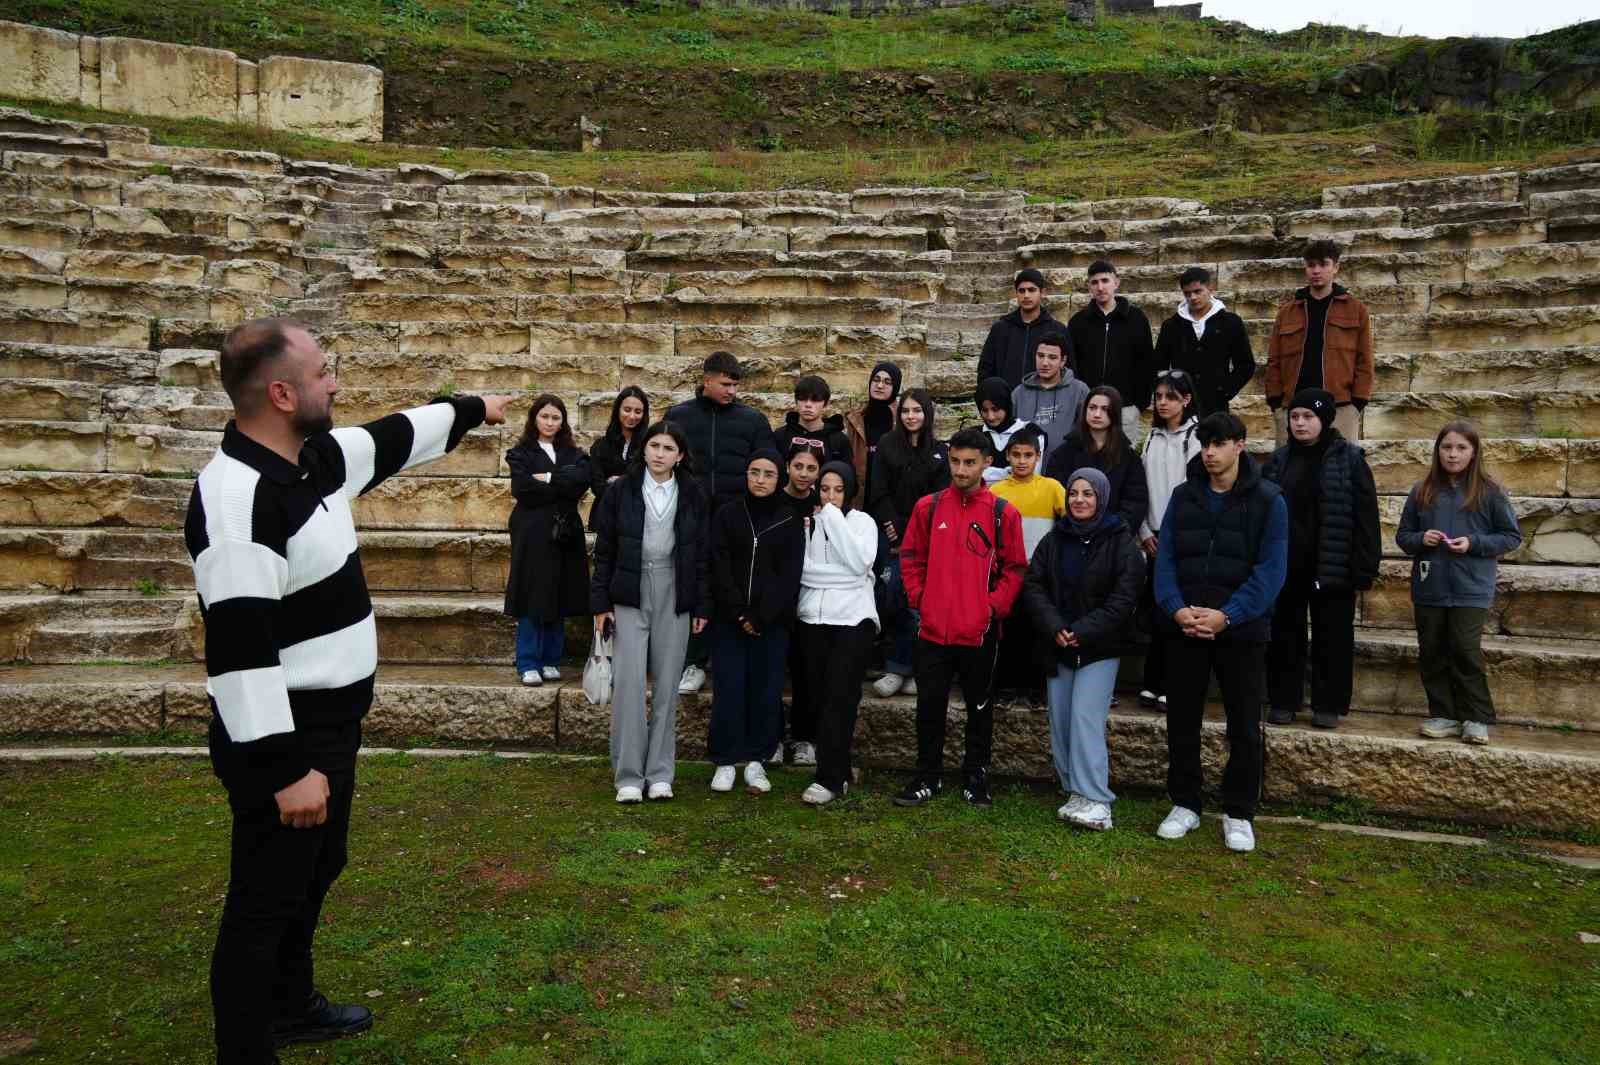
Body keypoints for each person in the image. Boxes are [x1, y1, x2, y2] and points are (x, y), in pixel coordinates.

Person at [185, 317, 511, 1065]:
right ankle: (245, 1047)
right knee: (263, 900)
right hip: (285, 737)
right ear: (280, 391)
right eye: (323, 372)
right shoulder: (238, 501)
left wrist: (469, 408)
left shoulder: (312, 458)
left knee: (316, 870)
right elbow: (239, 653)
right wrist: (284, 769)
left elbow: (388, 438)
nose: (334, 382)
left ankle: (291, 1003)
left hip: (331, 725)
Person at [1152, 412, 1287, 854]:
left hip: (1242, 630)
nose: (1209, 452)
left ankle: (1239, 811)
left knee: (1245, 725)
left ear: (1240, 446)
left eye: (1219, 443)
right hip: (1186, 626)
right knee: (1182, 721)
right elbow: (1166, 559)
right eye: (1204, 443)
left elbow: (1270, 570)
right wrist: (1176, 610)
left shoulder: (1269, 500)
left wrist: (1227, 615)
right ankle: (1185, 802)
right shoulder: (1183, 497)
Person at [893, 427, 1028, 809]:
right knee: (929, 705)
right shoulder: (928, 507)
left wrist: (991, 607)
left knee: (979, 708)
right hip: (933, 629)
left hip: (979, 632)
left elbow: (1015, 569)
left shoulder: (1003, 513)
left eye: (970, 463)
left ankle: (975, 777)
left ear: (987, 463)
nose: (961, 470)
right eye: (955, 461)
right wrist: (920, 598)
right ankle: (927, 776)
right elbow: (910, 556)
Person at [590, 419, 713, 804]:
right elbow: (605, 549)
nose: (660, 454)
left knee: (666, 686)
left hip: (675, 588)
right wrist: (600, 603)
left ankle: (660, 773)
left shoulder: (693, 493)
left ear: (680, 456)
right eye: (654, 446)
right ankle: (628, 774)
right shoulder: (621, 491)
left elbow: (702, 554)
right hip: (629, 589)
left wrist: (700, 603)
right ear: (644, 448)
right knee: (627, 682)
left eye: (668, 449)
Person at [1020, 466, 1144, 831]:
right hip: (1059, 644)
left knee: (1085, 719)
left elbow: (1125, 597)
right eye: (1074, 493)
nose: (1079, 500)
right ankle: (1075, 789)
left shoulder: (1120, 541)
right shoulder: (1055, 539)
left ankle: (1098, 800)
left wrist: (1082, 631)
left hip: (1098, 647)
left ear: (1102, 498)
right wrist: (1055, 626)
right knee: (1061, 720)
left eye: (1088, 493)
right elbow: (1034, 585)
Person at [1260, 388, 1381, 730]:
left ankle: (1327, 704)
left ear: (1324, 420)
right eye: (1295, 417)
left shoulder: (1350, 459)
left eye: (1307, 417)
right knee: (1284, 635)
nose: (1299, 423)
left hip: (1334, 565)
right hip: (1288, 566)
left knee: (1333, 636)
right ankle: (1284, 700)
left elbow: (1366, 517)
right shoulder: (1279, 461)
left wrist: (1365, 566)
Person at [1396, 421, 1522, 746]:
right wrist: (1421, 538)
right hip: (1430, 586)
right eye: (1447, 447)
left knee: (1465, 650)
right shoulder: (1421, 490)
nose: (1453, 454)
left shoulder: (1490, 492)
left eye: (1461, 448)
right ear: (1437, 451)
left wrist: (1474, 543)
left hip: (1471, 587)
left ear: (1474, 452)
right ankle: (1444, 714)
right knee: (1432, 650)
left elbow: (1510, 537)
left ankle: (1475, 717)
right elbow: (1403, 537)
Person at [667, 351, 774, 694]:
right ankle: (693, 663)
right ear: (707, 379)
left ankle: (730, 657)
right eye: (725, 384)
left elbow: (765, 463)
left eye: (735, 385)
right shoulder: (678, 416)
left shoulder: (752, 421)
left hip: (736, 519)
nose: (731, 391)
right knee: (695, 585)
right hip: (690, 515)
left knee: (732, 585)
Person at [707, 450, 806, 795]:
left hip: (771, 623)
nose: (760, 480)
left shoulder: (789, 519)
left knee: (765, 690)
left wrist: (762, 615)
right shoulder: (727, 514)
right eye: (754, 472)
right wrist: (738, 611)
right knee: (729, 687)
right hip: (729, 620)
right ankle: (724, 760)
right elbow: (718, 564)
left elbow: (788, 574)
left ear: (779, 479)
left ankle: (756, 760)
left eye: (768, 474)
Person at [796, 462, 881, 805]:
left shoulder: (862, 523)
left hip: (852, 620)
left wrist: (830, 518)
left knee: (840, 699)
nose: (830, 496)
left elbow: (861, 564)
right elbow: (803, 571)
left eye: (838, 490)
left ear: (849, 491)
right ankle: (841, 769)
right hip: (813, 619)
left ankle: (828, 778)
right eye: (825, 489)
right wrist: (839, 575)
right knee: (816, 696)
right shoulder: (807, 522)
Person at [504, 394, 592, 686]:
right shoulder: (522, 452)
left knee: (560, 590)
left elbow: (580, 483)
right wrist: (561, 482)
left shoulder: (573, 452)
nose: (550, 422)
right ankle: (528, 660)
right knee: (532, 592)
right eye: (545, 417)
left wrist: (548, 478)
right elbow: (522, 487)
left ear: (563, 421)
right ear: (534, 419)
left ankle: (552, 659)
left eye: (556, 418)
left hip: (564, 530)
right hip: (532, 530)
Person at [868, 389, 949, 698]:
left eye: (917, 411)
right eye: (906, 411)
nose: (911, 416)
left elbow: (939, 499)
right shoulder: (888, 446)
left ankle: (908, 669)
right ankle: (898, 667)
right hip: (892, 535)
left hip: (926, 538)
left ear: (926, 414)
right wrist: (897, 535)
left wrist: (915, 538)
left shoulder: (939, 451)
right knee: (892, 595)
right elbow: (879, 492)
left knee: (918, 605)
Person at [1134, 369, 1201, 710]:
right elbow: (1143, 489)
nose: (1162, 403)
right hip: (1153, 536)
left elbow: (1195, 493)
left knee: (1178, 611)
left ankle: (1173, 684)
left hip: (1183, 537)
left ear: (1186, 400)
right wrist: (1144, 532)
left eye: (1170, 397)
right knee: (1158, 611)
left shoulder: (1197, 438)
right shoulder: (1151, 438)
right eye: (1158, 396)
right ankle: (1153, 680)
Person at [1266, 239, 1374, 444]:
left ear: (1336, 267)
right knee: (1290, 473)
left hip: (1340, 407)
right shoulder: (1287, 312)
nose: (1316, 270)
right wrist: (1277, 404)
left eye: (1323, 264)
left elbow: (1365, 359)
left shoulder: (1356, 310)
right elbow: (1274, 360)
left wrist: (1357, 403)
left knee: (1340, 471)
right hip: (1294, 408)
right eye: (1310, 265)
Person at [990, 426, 1065, 698]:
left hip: (1041, 572)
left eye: (1028, 455)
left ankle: (1038, 687)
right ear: (1007, 456)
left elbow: (1070, 520)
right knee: (1009, 629)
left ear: (1038, 456)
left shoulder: (1052, 488)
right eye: (1016, 455)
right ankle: (1007, 685)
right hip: (1008, 572)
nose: (1022, 461)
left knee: (1040, 628)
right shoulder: (996, 492)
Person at [777, 438, 828, 764]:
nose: (805, 474)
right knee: (772, 672)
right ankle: (772, 737)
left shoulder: (823, 507)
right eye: (799, 466)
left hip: (811, 600)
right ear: (787, 467)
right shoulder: (773, 501)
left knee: (808, 673)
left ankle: (805, 738)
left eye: (811, 468)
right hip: (776, 600)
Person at [1067, 259, 1155, 447]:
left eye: (1105, 281)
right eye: (1094, 282)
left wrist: (1138, 404)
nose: (1100, 287)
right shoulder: (1078, 322)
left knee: (1123, 462)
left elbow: (1147, 362)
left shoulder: (1136, 319)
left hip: (1126, 408)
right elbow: (1072, 365)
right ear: (1089, 286)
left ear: (1116, 282)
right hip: (1089, 408)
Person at [1153, 267, 1254, 419]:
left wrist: (1225, 391)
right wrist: (1171, 394)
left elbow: (1245, 364)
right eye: (1187, 293)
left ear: (1210, 289)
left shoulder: (1231, 322)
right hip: (1181, 406)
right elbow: (1159, 366)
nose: (1192, 297)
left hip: (1216, 406)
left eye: (1198, 291)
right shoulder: (1171, 326)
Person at [1045, 386, 1149, 534]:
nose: (1097, 414)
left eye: (1105, 409)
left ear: (1114, 413)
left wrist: (1111, 531)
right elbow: (1054, 496)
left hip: (1113, 539)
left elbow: (1134, 503)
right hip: (1071, 536)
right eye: (1092, 407)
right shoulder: (1063, 454)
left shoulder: (1129, 458)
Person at [1010, 328, 1088, 471]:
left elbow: (1086, 434)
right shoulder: (1018, 393)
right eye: (1040, 356)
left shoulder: (1080, 391)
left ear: (1063, 360)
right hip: (1026, 473)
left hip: (1065, 469)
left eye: (1052, 357)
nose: (1045, 363)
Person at [977, 267, 1062, 390]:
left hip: (1043, 404)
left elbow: (1067, 372)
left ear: (1042, 292)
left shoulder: (1057, 330)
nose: (1026, 295)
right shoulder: (1000, 329)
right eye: (1021, 291)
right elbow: (985, 370)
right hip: (1007, 404)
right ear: (1016, 293)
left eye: (1031, 290)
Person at [588, 386, 648, 529]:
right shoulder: (601, 445)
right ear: (617, 410)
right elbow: (597, 487)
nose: (632, 416)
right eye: (627, 410)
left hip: (639, 517)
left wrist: (616, 481)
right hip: (606, 516)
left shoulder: (650, 445)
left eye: (638, 411)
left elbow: (648, 484)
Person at [844, 361, 900, 510]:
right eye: (876, 380)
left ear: (895, 388)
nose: (880, 385)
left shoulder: (901, 422)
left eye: (887, 382)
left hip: (890, 503)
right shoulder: (854, 420)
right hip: (859, 501)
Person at [774, 374, 853, 468]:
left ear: (826, 404)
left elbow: (846, 476)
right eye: (803, 399)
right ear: (796, 401)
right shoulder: (780, 435)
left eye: (815, 400)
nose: (808, 404)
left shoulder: (839, 440)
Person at [976, 375, 1033, 485]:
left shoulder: (1030, 431)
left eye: (995, 409)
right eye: (984, 410)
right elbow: (970, 474)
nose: (990, 416)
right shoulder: (974, 436)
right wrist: (1008, 472)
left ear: (1006, 405)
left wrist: (987, 473)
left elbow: (1030, 475)